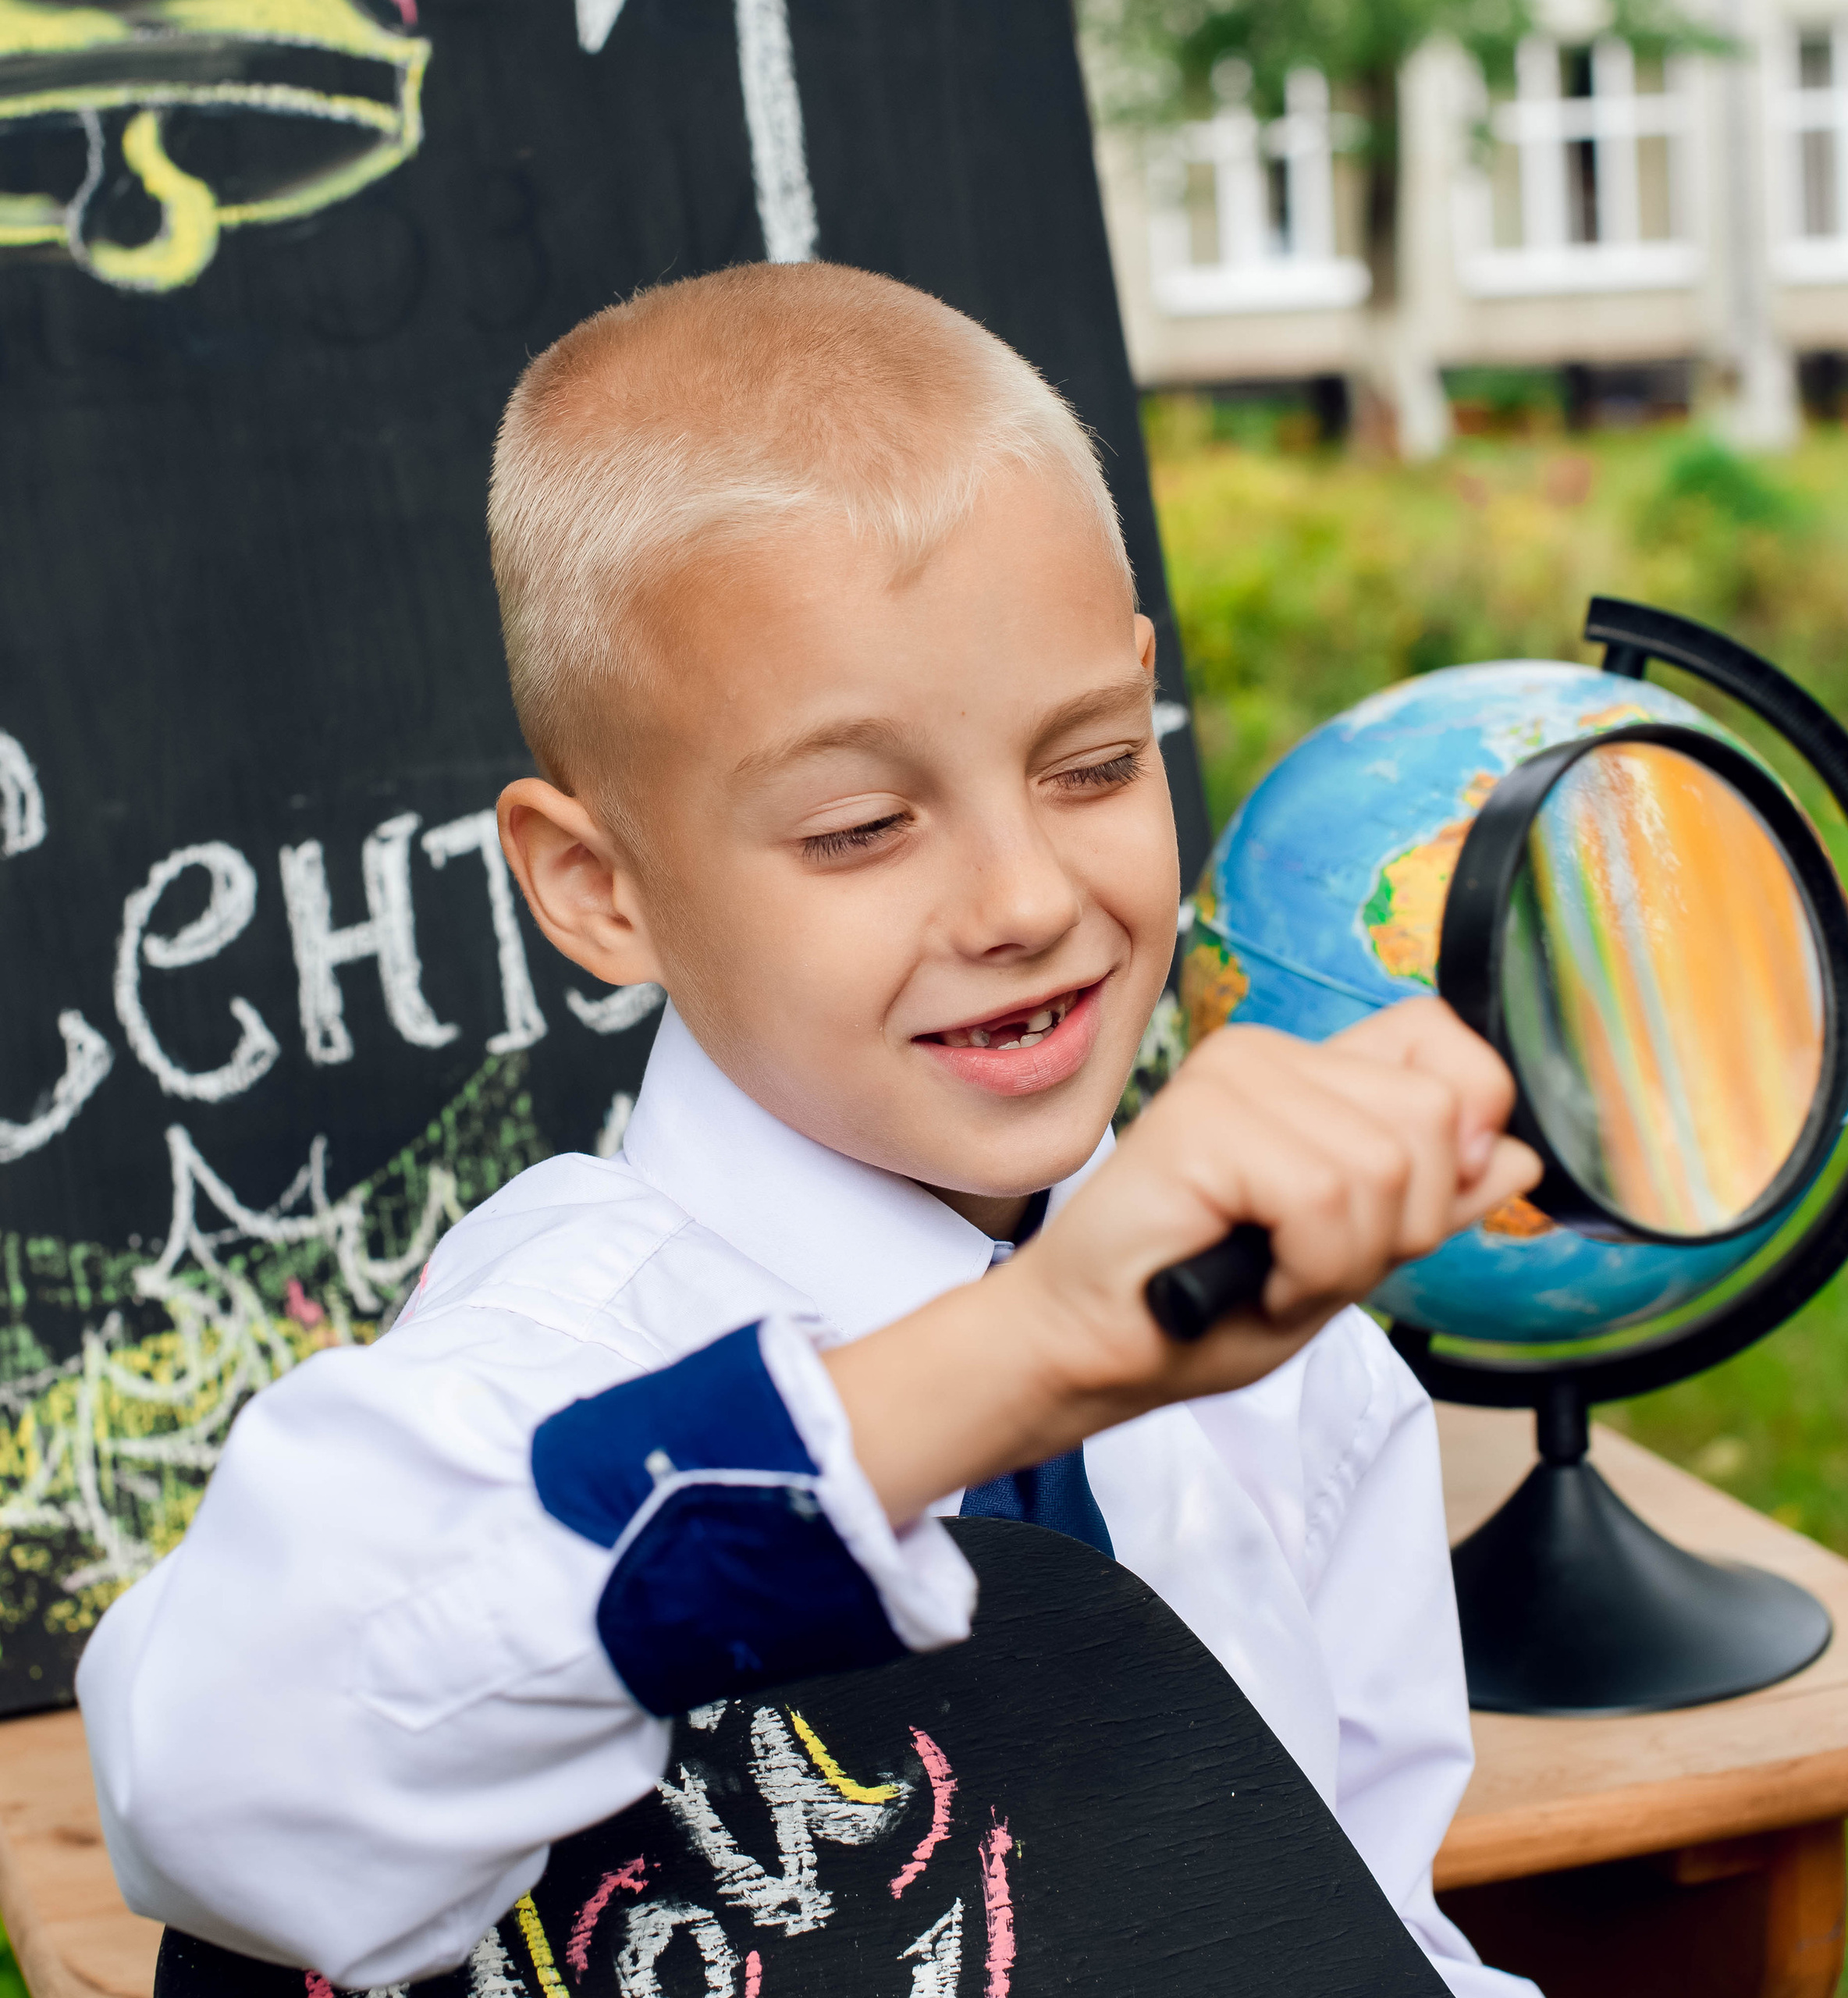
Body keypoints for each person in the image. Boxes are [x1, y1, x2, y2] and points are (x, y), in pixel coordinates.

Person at [78, 263, 1542, 1996]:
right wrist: (1023, 1353)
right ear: (597, 887)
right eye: (858, 826)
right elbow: (214, 1779)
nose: (1023, 896)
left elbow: (1353, 1915)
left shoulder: (1293, 1370)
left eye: (1087, 763)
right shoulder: (554, 1354)